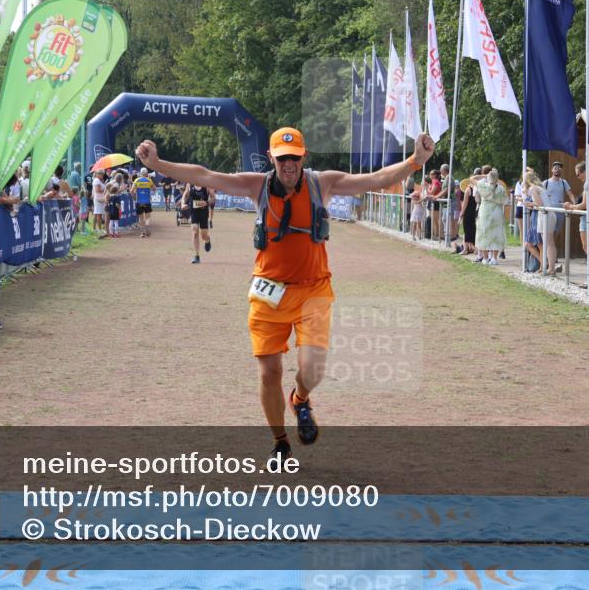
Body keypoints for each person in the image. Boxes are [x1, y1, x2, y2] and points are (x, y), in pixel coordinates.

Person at [136, 127, 436, 458]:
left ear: (303, 157)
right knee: (269, 374)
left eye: (294, 158)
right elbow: (205, 175)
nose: (288, 165)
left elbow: (375, 179)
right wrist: (158, 164)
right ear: (271, 158)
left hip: (313, 291)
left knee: (312, 371)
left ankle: (300, 399)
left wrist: (414, 161)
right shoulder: (256, 185)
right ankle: (280, 441)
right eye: (282, 159)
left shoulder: (323, 183)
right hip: (268, 292)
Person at [473, 169, 509, 265]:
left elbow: (471, 179)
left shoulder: (483, 186)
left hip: (485, 211)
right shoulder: (501, 188)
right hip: (497, 212)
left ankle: (485, 258)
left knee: (483, 234)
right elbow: (505, 201)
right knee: (496, 234)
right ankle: (494, 258)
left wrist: (483, 176)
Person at [543, 161, 575, 249]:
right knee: (549, 232)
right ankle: (548, 253)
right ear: (552, 170)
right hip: (549, 211)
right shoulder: (546, 183)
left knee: (556, 232)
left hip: (560, 211)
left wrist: (574, 205)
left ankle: (552, 251)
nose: (557, 170)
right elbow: (539, 195)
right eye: (555, 168)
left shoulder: (563, 182)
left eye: (559, 168)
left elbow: (570, 194)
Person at [182, 182, 215, 263]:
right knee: (195, 231)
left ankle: (207, 240)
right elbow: (185, 195)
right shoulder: (190, 184)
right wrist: (183, 203)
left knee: (203, 236)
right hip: (194, 212)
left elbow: (213, 198)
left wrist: (206, 203)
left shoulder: (207, 184)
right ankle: (197, 256)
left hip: (204, 212)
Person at [523, 171, 549, 273]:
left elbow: (538, 204)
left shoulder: (534, 188)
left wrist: (529, 204)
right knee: (531, 243)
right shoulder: (537, 187)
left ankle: (544, 265)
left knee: (539, 243)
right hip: (535, 215)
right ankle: (543, 263)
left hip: (537, 215)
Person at [460, 168, 481, 256]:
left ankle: (468, 249)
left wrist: (461, 213)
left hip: (468, 212)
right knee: (472, 230)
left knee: (466, 230)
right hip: (475, 212)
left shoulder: (468, 190)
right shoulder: (478, 189)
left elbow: (465, 203)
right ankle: (469, 248)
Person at [132, 167, 156, 237]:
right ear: (146, 173)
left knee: (140, 218)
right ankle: (147, 225)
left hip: (139, 201)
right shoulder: (149, 180)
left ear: (140, 173)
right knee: (147, 217)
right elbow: (154, 188)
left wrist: (134, 197)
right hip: (147, 201)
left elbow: (131, 191)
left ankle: (142, 233)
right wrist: (151, 191)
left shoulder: (137, 180)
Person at [92, 170, 107, 235]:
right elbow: (97, 190)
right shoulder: (96, 180)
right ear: (99, 174)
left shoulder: (99, 180)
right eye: (102, 174)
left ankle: (96, 228)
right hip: (98, 199)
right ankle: (99, 229)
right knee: (99, 214)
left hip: (100, 198)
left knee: (98, 214)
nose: (102, 176)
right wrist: (106, 189)